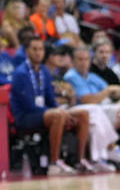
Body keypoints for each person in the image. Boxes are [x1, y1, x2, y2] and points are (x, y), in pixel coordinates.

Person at [63, 46, 120, 170]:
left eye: (86, 59)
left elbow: (115, 92)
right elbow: (87, 100)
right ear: (73, 61)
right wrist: (107, 92)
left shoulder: (92, 76)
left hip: (107, 106)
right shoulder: (71, 76)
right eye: (80, 59)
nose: (84, 63)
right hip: (93, 111)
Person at [10, 36, 91, 175]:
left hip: (45, 112)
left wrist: (61, 110)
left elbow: (51, 100)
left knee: (83, 113)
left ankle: (80, 160)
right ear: (26, 52)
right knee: (58, 115)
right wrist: (58, 112)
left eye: (40, 49)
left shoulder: (44, 71)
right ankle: (54, 163)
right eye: (34, 49)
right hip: (26, 116)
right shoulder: (21, 73)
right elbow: (29, 105)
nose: (38, 52)